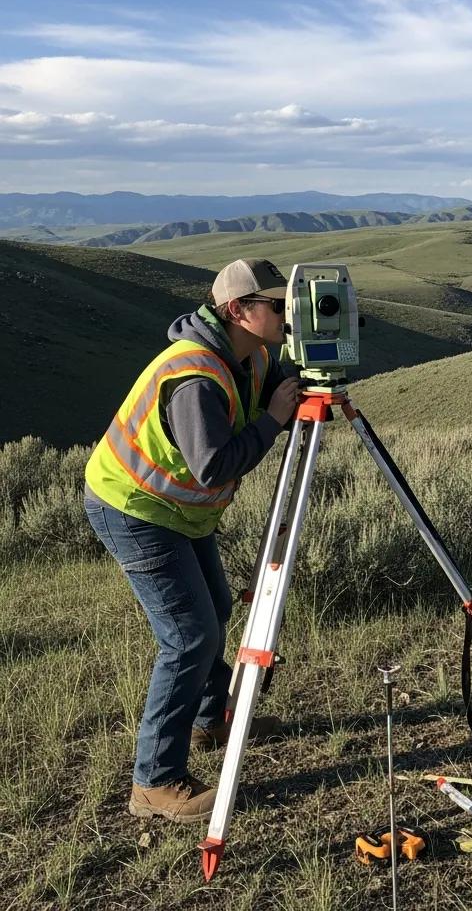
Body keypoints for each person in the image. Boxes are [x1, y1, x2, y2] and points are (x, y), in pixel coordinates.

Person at [84, 257, 301, 823]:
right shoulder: (196, 376)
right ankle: (154, 782)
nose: (288, 312)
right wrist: (274, 420)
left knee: (216, 610)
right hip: (134, 507)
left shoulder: (252, 355)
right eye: (277, 304)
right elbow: (213, 466)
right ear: (238, 311)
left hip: (178, 513)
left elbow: (278, 386)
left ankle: (211, 720)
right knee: (189, 637)